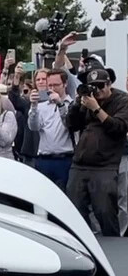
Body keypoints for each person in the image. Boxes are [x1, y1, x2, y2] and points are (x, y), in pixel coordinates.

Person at [65, 66, 128, 236]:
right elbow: (72, 124)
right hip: (80, 164)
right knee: (75, 209)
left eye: (101, 86)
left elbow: (118, 127)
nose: (97, 91)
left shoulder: (122, 100)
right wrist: (78, 104)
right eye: (94, 86)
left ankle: (113, 247)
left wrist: (96, 109)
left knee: (105, 212)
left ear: (109, 84)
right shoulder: (88, 100)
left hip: (105, 166)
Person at [27, 70, 74, 191]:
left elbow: (70, 125)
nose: (52, 89)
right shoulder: (42, 106)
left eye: (56, 85)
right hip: (44, 159)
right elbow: (34, 127)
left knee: (64, 197)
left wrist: (60, 104)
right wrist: (33, 106)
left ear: (65, 84)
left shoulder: (72, 105)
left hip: (65, 159)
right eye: (50, 85)